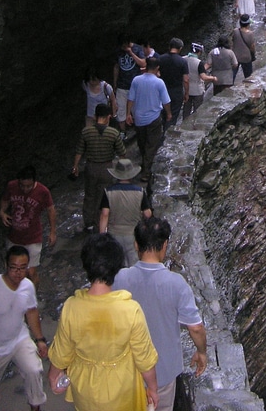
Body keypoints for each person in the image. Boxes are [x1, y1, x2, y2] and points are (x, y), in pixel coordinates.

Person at [47, 233, 160, 411]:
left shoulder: (71, 307)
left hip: (85, 392)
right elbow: (144, 359)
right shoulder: (130, 310)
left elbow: (62, 351)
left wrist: (53, 376)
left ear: (86, 265)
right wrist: (153, 389)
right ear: (116, 267)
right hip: (121, 391)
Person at [115, 217, 208, 411]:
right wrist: (201, 352)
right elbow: (196, 328)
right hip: (163, 372)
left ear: (135, 244)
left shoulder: (119, 278)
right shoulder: (177, 284)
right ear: (165, 245)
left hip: (126, 371)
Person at [0, 245, 48, 411]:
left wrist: (40, 339)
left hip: (19, 338)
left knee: (34, 370)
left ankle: (35, 407)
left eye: (22, 268)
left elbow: (32, 312)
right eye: (14, 268)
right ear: (6, 265)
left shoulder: (27, 286)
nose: (18, 273)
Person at [72, 103, 127, 233]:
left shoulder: (86, 131)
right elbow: (122, 153)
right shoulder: (113, 133)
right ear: (109, 117)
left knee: (89, 195)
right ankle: (100, 222)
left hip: (91, 167)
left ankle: (89, 223)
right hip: (107, 168)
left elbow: (79, 150)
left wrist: (75, 166)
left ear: (95, 116)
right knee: (103, 196)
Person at [0, 166, 56, 287]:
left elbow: (51, 210)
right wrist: (2, 212)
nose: (25, 189)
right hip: (14, 237)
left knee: (30, 271)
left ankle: (32, 298)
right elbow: (5, 200)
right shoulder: (12, 186)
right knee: (13, 270)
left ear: (34, 182)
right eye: (22, 186)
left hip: (33, 237)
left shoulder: (43, 191)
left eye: (28, 186)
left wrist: (52, 232)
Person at [126, 57, 172, 190]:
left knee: (142, 142)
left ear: (145, 66)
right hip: (154, 118)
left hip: (139, 118)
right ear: (157, 68)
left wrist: (128, 113)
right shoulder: (159, 83)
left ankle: (144, 164)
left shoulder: (136, 80)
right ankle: (146, 173)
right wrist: (168, 113)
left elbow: (131, 98)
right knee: (151, 145)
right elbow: (166, 101)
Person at [99, 158, 152, 265]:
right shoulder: (140, 192)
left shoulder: (108, 192)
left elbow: (104, 214)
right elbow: (148, 214)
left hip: (114, 234)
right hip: (133, 235)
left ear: (116, 175)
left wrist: (102, 235)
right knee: (134, 265)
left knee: (116, 265)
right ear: (131, 175)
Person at [113, 35, 146, 135]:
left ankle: (138, 129)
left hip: (135, 85)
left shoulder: (137, 49)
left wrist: (131, 53)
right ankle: (123, 131)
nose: (123, 46)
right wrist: (115, 83)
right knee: (121, 110)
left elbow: (143, 64)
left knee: (137, 109)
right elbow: (116, 67)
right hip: (122, 85)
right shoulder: (118, 51)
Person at [158, 38, 189, 128]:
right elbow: (186, 79)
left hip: (163, 90)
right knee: (173, 115)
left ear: (169, 46)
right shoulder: (182, 61)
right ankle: (168, 134)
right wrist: (186, 93)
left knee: (163, 114)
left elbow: (156, 73)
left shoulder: (161, 58)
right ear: (180, 48)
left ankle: (163, 131)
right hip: (176, 91)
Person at [183, 43, 216, 121]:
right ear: (199, 52)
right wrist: (213, 78)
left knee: (186, 109)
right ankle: (195, 123)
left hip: (185, 88)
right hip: (197, 90)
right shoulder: (199, 63)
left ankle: (184, 123)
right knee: (197, 109)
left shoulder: (183, 59)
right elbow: (204, 77)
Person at [231, 14, 256, 80]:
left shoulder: (235, 31)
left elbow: (232, 42)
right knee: (248, 77)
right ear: (248, 24)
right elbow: (252, 47)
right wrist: (253, 55)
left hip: (235, 57)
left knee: (232, 76)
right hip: (246, 58)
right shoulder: (250, 34)